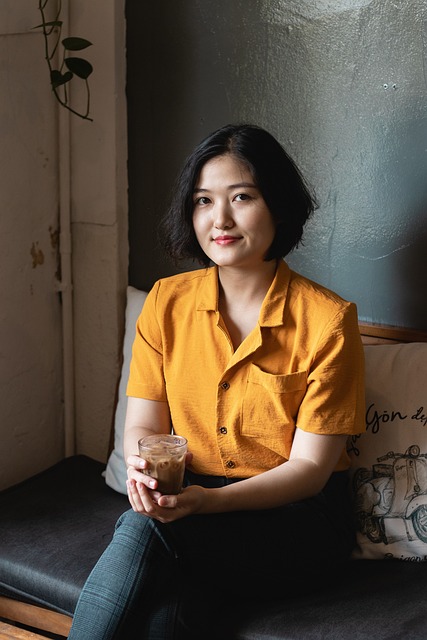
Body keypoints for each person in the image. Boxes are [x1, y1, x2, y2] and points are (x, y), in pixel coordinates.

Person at [68, 124, 365, 639]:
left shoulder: (328, 320)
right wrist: (143, 468)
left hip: (296, 521)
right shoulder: (166, 302)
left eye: (241, 197)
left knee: (146, 531)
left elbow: (311, 469)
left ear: (278, 205)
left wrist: (210, 503)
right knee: (168, 613)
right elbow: (143, 422)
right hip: (195, 511)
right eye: (204, 200)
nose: (219, 219)